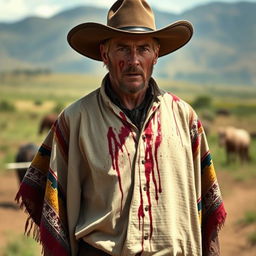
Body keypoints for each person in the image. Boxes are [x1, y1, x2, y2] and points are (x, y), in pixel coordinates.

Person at [16, 0, 227, 255]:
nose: (134, 60)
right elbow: (55, 211)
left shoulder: (185, 119)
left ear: (156, 55)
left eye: (143, 49)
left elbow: (209, 211)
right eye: (123, 49)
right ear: (105, 54)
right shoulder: (76, 120)